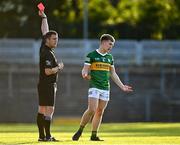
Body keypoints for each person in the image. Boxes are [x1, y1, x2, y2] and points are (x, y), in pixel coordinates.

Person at [72, 34, 133, 141]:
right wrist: (85, 73)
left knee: (100, 111)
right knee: (92, 109)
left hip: (105, 87)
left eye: (112, 45)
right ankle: (80, 130)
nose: (111, 47)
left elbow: (113, 74)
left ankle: (94, 135)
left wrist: (122, 86)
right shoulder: (91, 55)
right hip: (94, 86)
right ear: (103, 42)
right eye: (110, 44)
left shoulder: (110, 58)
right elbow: (85, 69)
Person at [36, 10, 64, 142]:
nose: (56, 41)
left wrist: (44, 17)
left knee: (41, 109)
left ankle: (42, 136)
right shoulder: (48, 53)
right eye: (54, 39)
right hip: (47, 84)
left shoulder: (44, 47)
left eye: (57, 39)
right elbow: (48, 71)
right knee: (49, 109)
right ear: (47, 40)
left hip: (43, 84)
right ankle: (47, 136)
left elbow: (45, 31)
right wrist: (59, 67)